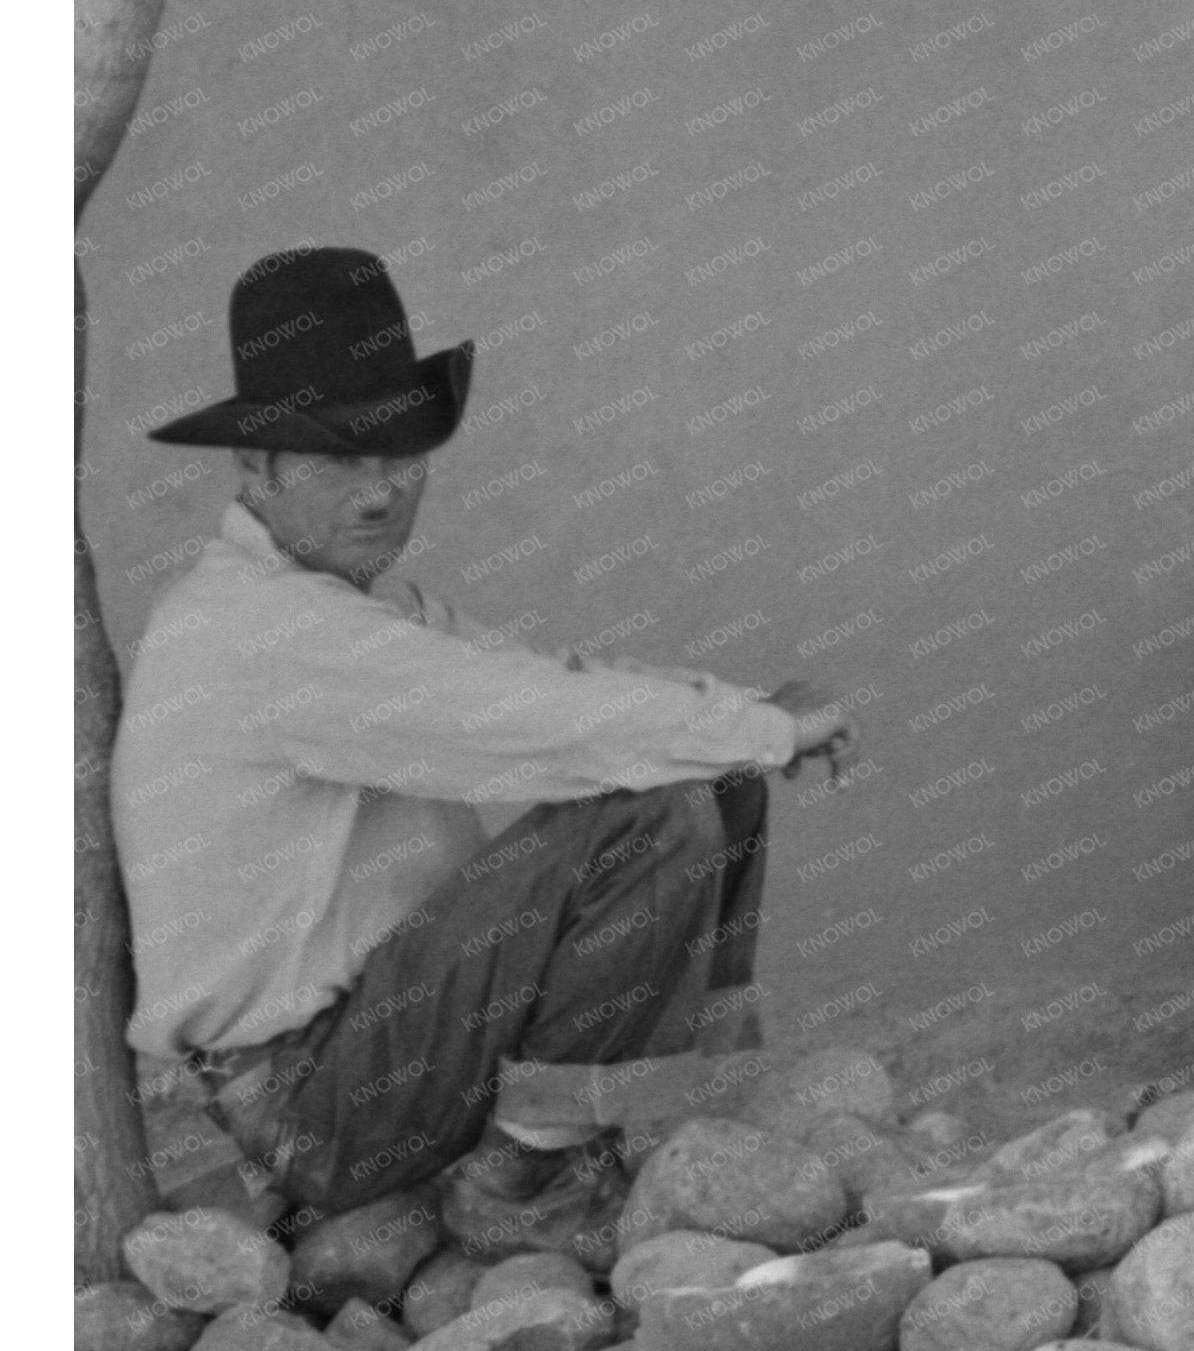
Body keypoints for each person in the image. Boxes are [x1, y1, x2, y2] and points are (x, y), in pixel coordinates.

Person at [113, 248, 850, 1240]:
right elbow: (529, 722)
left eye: (398, 456)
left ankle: (656, 1120)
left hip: (377, 1050)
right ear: (255, 466)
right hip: (312, 1102)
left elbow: (553, 679)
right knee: (657, 806)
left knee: (710, 777)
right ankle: (521, 1185)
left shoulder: (344, 606)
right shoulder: (262, 629)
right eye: (341, 460)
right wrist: (757, 727)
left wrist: (743, 714)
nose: (381, 493)